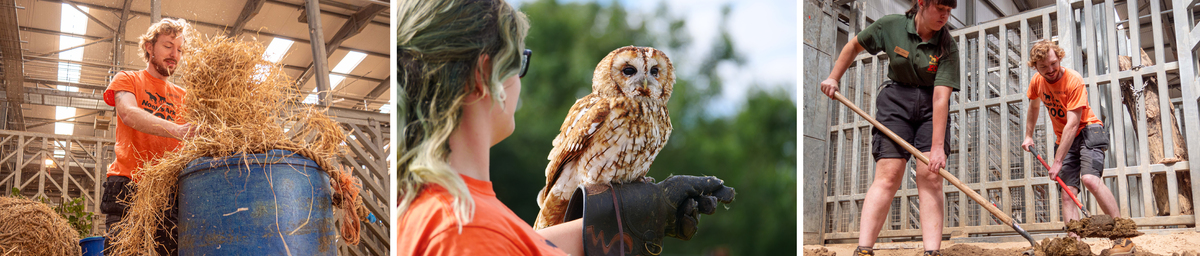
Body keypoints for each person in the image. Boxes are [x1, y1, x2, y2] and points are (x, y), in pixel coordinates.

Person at [397, 1, 735, 255]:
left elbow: (528, 245)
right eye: (521, 61)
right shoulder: (465, 227)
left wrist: (641, 211)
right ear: (484, 75)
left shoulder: (455, 210)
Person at [820, 0, 959, 255]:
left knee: (930, 175)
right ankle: (864, 249)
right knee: (889, 174)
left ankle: (932, 251)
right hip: (896, 102)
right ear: (921, 3)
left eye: (949, 11)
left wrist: (937, 147)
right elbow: (853, 46)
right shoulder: (890, 26)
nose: (945, 16)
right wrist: (833, 77)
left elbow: (941, 98)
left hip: (931, 107)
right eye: (940, 8)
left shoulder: (947, 45)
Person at [1021, 40, 1135, 255]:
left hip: (1088, 130)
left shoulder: (1074, 80)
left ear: (1060, 58)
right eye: (1043, 67)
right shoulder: (1037, 81)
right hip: (1064, 137)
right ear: (1035, 66)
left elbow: (1073, 124)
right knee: (1067, 193)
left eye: (1053, 63)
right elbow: (1034, 107)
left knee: (1090, 179)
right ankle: (1075, 247)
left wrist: (1057, 162)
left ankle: (1124, 238)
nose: (1050, 70)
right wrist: (1028, 135)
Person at [99, 18, 197, 255]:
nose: (174, 54)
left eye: (180, 49)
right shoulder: (128, 79)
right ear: (149, 47)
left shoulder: (186, 96)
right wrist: (177, 130)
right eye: (167, 46)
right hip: (128, 184)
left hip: (169, 191)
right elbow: (129, 113)